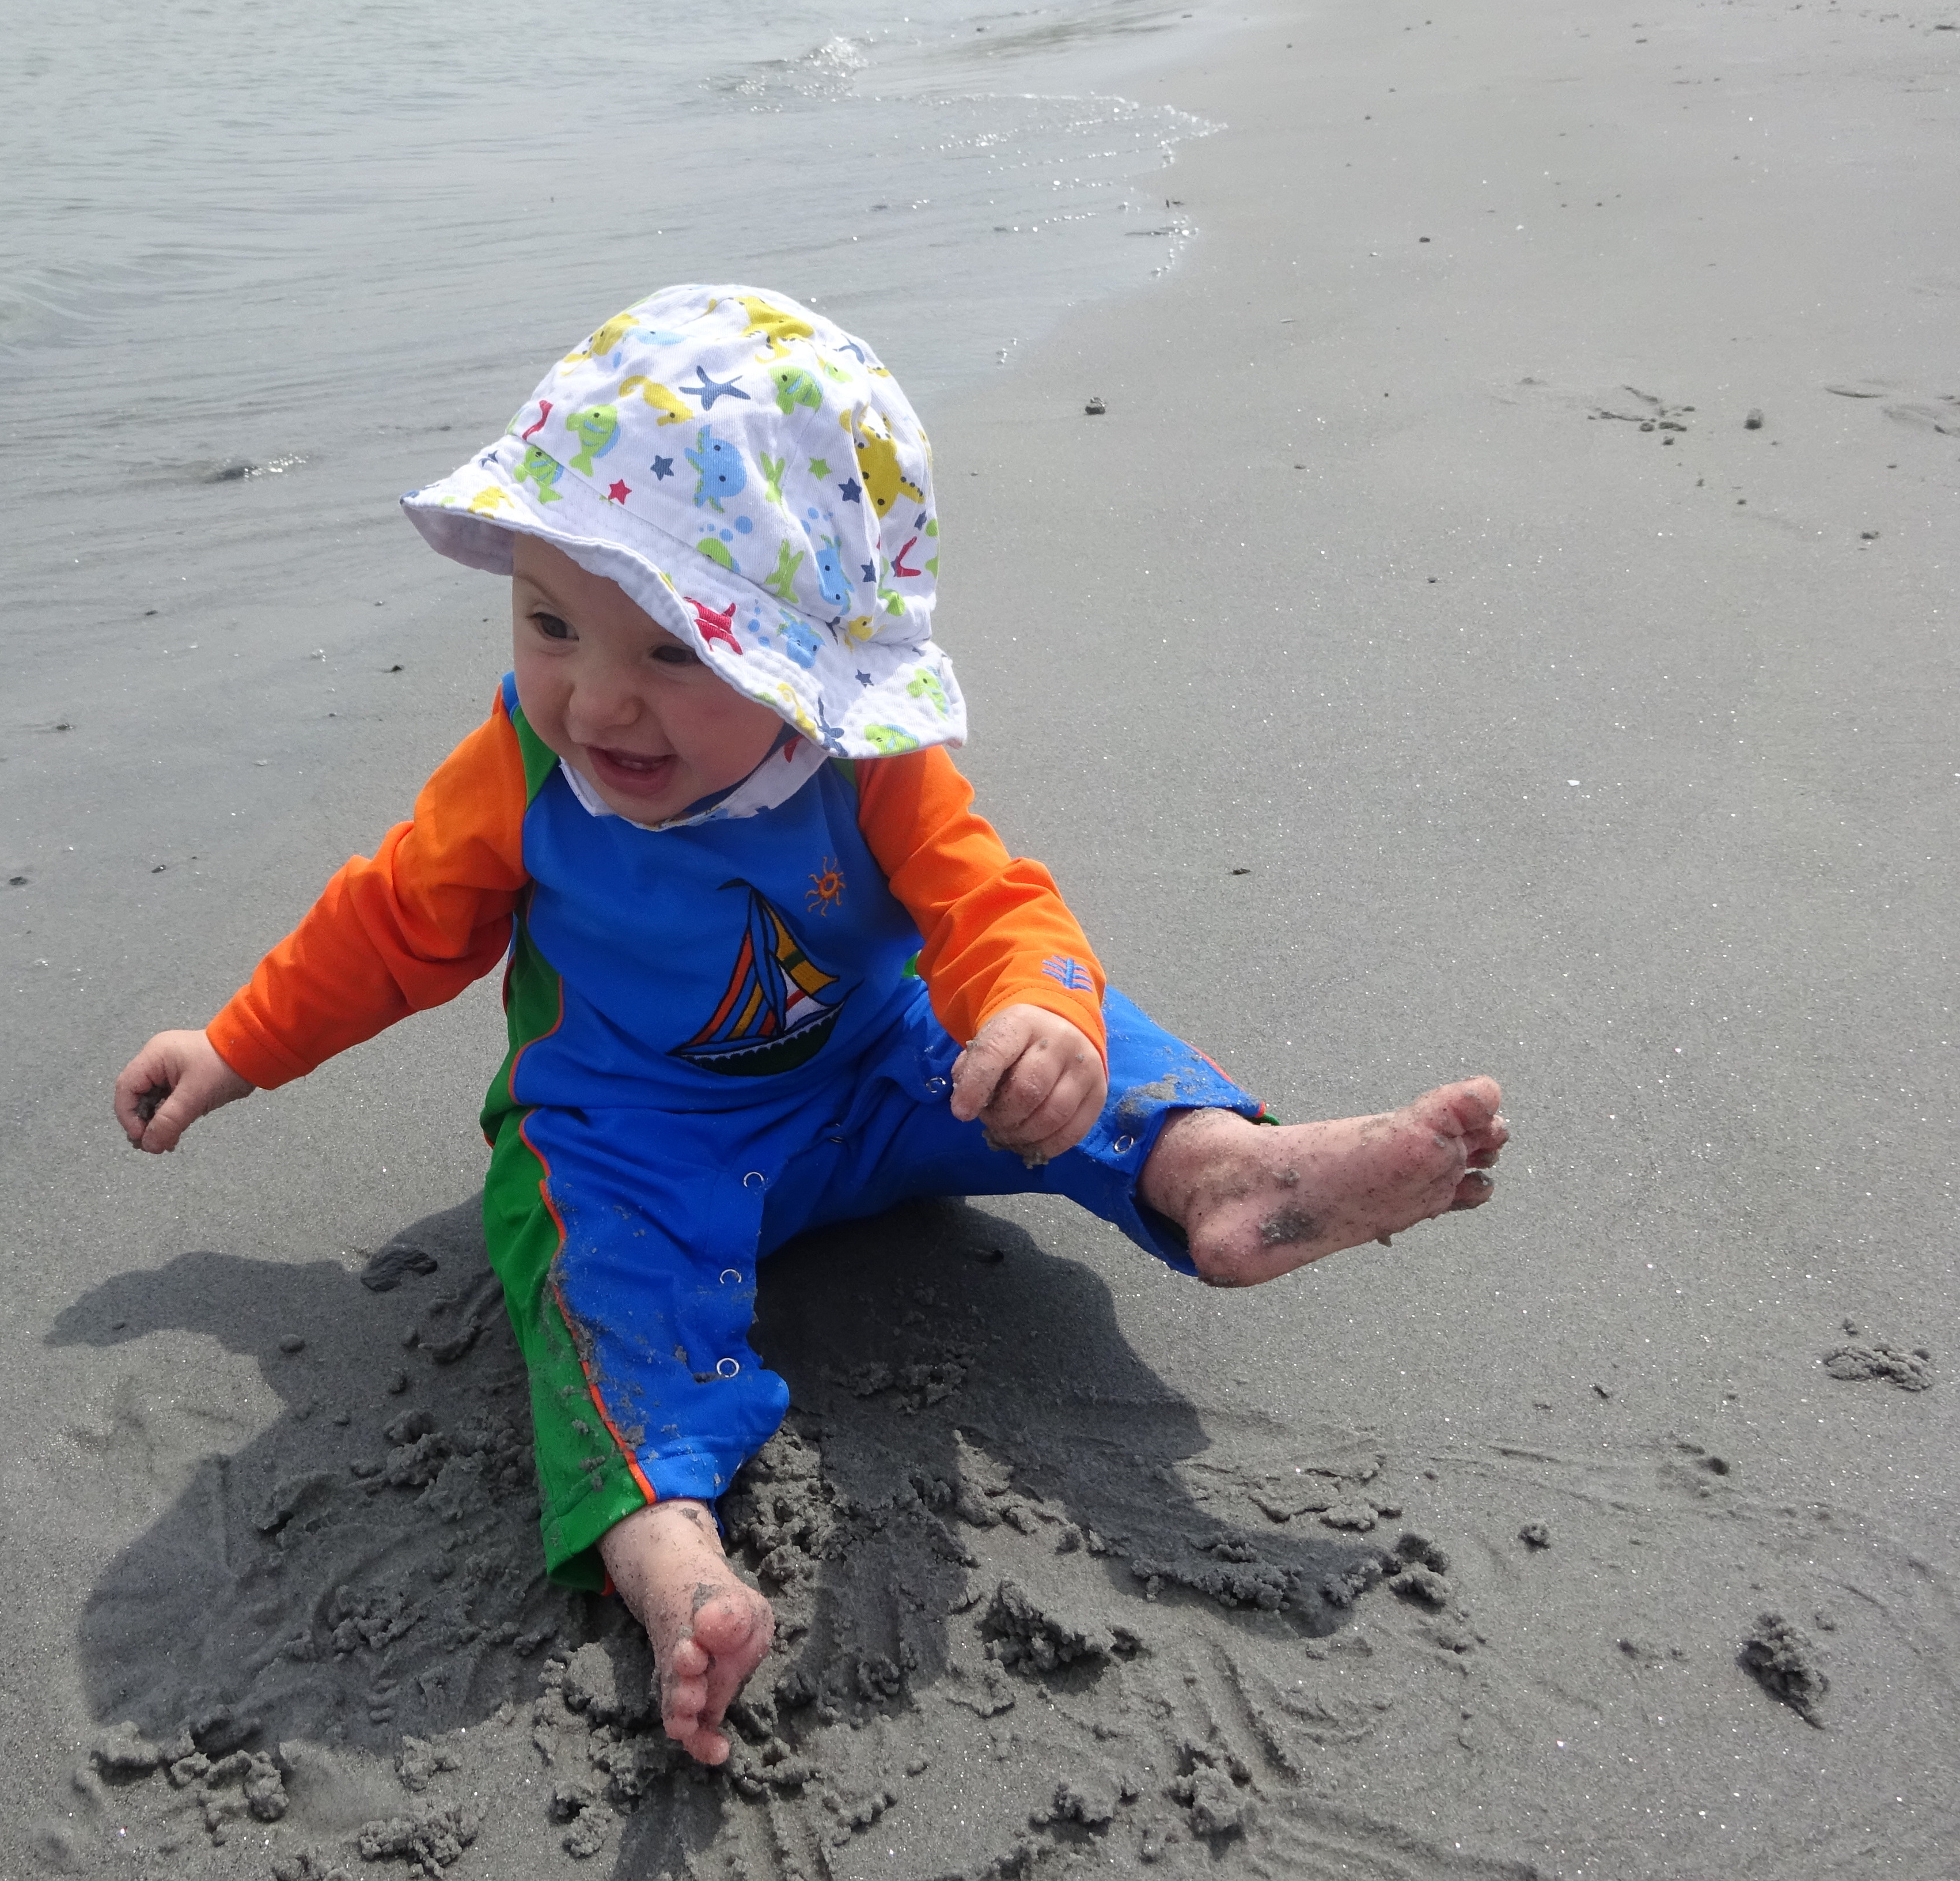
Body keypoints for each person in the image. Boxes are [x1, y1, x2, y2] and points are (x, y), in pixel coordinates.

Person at [113, 284, 1506, 1768]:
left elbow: (990, 902)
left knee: (1072, 1040)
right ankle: (674, 1559)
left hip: (881, 1080)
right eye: (551, 624)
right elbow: (388, 925)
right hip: (635, 1139)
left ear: (803, 652)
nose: (599, 702)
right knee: (595, 1294)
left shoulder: (865, 760)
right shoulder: (518, 772)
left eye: (675, 653)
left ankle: (1219, 1168)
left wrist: (1037, 1012)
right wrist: (236, 1047)